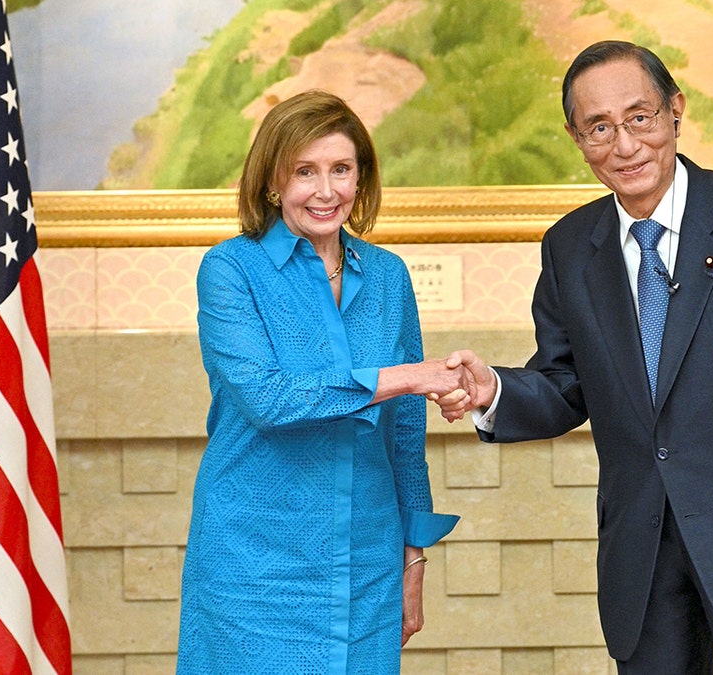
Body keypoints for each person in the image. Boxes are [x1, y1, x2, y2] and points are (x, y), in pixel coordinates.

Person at [440, 41, 713, 673]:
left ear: (675, 112)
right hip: (645, 556)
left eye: (640, 118)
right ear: (576, 139)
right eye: (599, 128)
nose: (625, 145)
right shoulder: (570, 247)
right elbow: (564, 383)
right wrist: (494, 393)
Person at [177, 90, 467, 673]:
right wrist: (408, 376)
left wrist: (414, 563)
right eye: (305, 172)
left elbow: (406, 439)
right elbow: (268, 399)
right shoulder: (230, 270)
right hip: (254, 568)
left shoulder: (388, 277)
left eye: (341, 169)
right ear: (272, 181)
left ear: (362, 178)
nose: (326, 191)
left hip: (367, 564)